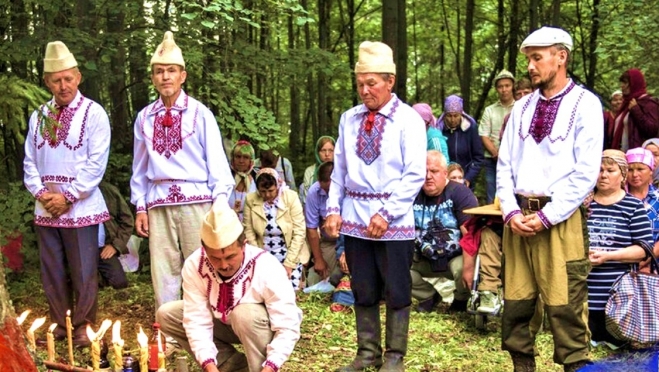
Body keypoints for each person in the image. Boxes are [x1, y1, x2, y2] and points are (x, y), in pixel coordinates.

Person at [497, 27, 603, 372]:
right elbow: (504, 165)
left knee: (566, 305)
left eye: (537, 58)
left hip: (560, 220)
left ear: (561, 57)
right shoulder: (522, 106)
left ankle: (575, 367)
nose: (530, 66)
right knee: (516, 302)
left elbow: (585, 173)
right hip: (517, 220)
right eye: (528, 58)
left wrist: (546, 217)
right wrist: (511, 212)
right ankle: (522, 366)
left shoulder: (585, 104)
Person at [325, 41, 426, 372]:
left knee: (397, 288)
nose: (365, 90)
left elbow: (414, 175)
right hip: (355, 217)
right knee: (362, 286)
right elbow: (338, 170)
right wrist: (333, 209)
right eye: (360, 84)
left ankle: (394, 356)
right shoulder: (348, 119)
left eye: (372, 83)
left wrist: (387, 214)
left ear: (390, 81)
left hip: (393, 220)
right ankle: (367, 352)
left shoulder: (408, 119)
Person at [130, 32, 234, 313]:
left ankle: (206, 326)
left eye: (171, 71)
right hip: (158, 202)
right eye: (159, 72)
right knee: (163, 270)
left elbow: (218, 165)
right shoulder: (144, 117)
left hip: (196, 200)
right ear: (153, 77)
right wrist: (140, 206)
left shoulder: (201, 114)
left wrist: (219, 204)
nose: (165, 77)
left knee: (202, 265)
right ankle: (168, 333)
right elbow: (139, 168)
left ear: (183, 75)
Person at [24, 41, 111, 347]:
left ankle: (85, 327)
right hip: (46, 207)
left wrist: (68, 196)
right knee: (53, 272)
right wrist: (41, 193)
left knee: (84, 270)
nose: (63, 86)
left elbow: (96, 163)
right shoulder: (39, 116)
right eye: (56, 80)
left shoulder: (95, 113)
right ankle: (61, 324)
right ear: (47, 82)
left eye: (68, 78)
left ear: (78, 77)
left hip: (81, 207)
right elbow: (30, 161)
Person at [156, 203, 302, 372]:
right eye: (215, 258)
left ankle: (259, 368)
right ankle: (231, 366)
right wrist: (210, 366)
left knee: (244, 314)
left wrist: (271, 365)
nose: (224, 265)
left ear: (244, 245)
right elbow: (196, 320)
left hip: (258, 327)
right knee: (167, 314)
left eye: (230, 256)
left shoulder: (266, 265)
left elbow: (287, 326)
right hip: (222, 323)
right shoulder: (194, 264)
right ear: (205, 250)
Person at [587, 150, 652, 348]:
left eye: (610, 170)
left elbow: (643, 249)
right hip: (584, 293)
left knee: (618, 342)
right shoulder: (583, 204)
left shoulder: (633, 206)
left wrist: (609, 256)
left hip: (620, 298)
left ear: (622, 175)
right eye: (599, 170)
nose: (603, 175)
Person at [410, 151, 479, 313]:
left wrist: (469, 269)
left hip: (453, 258)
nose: (427, 176)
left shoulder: (460, 193)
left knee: (464, 267)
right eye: (424, 171)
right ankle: (428, 296)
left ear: (445, 173)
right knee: (392, 266)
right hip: (422, 256)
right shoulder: (412, 193)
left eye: (433, 171)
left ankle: (461, 299)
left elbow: (470, 233)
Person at [243, 168, 308, 290]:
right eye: (262, 191)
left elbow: (299, 231)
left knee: (288, 292)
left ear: (277, 186)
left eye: (271, 190)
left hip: (289, 253)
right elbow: (249, 232)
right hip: (263, 254)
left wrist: (289, 264)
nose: (267, 195)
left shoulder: (291, 197)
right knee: (266, 292)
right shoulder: (250, 200)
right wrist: (258, 260)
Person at [480, 70, 516, 203]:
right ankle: (492, 223)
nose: (504, 89)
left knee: (514, 195)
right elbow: (484, 134)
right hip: (492, 160)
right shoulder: (490, 110)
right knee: (492, 195)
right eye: (500, 86)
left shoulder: (519, 107)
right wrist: (496, 154)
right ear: (496, 89)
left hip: (515, 160)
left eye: (507, 86)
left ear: (513, 87)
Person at [437, 95, 484, 189]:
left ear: (461, 114)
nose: (452, 119)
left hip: (465, 180)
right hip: (444, 181)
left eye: (456, 116)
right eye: (449, 116)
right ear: (445, 115)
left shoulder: (470, 128)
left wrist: (468, 179)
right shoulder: (439, 130)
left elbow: (478, 158)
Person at [305, 161, 339, 286]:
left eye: (330, 189)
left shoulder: (349, 189)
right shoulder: (314, 192)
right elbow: (311, 229)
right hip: (328, 241)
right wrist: (318, 259)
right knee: (325, 275)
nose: (327, 193)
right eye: (324, 189)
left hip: (350, 240)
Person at [610, 68, 659, 151]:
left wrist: (636, 110)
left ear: (634, 84)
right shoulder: (626, 104)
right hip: (622, 155)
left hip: (638, 157)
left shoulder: (648, 103)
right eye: (621, 82)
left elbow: (652, 131)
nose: (622, 86)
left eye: (625, 82)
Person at [97, 181, 134, 290]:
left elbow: (127, 221)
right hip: (79, 249)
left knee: (119, 283)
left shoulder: (108, 190)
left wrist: (116, 245)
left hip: (103, 248)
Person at [625, 148, 659, 257]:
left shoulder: (657, 198)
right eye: (630, 170)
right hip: (622, 262)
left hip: (654, 267)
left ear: (651, 170)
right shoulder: (619, 198)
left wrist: (645, 261)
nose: (635, 174)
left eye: (640, 169)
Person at [300, 136, 335, 207]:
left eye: (331, 150)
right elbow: (307, 198)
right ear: (318, 152)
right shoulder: (310, 171)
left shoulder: (340, 170)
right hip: (314, 209)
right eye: (323, 150)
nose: (327, 154)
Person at [228, 140, 257, 221]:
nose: (241, 161)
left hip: (251, 224)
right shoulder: (225, 178)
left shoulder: (257, 178)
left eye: (245, 157)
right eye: (238, 156)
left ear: (251, 160)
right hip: (227, 224)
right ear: (232, 158)